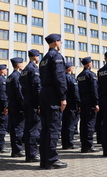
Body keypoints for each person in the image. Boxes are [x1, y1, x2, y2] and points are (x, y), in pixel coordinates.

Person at [39, 34, 68, 169]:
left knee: (45, 128)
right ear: (56, 42)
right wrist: (62, 97)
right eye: (60, 42)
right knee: (53, 128)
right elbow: (60, 78)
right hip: (53, 95)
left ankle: (44, 160)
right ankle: (51, 159)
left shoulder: (43, 59)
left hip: (44, 93)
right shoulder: (56, 56)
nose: (61, 44)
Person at [77, 57, 100, 153]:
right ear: (88, 64)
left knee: (83, 124)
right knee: (90, 123)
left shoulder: (79, 76)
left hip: (82, 101)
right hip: (90, 101)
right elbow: (94, 89)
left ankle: (83, 145)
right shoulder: (91, 74)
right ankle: (89, 146)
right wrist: (96, 103)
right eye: (91, 63)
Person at [7, 57, 26, 158]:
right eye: (21, 63)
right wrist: (23, 105)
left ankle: (14, 149)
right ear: (18, 65)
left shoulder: (9, 77)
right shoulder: (18, 76)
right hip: (18, 106)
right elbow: (19, 92)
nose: (23, 65)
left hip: (12, 105)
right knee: (18, 128)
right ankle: (17, 150)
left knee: (14, 129)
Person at [61, 62, 81, 150]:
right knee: (70, 124)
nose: (73, 69)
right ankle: (69, 143)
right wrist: (79, 103)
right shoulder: (71, 78)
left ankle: (64, 143)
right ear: (69, 68)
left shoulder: (61, 78)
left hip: (64, 104)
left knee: (64, 124)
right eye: (72, 68)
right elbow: (75, 92)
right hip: (72, 104)